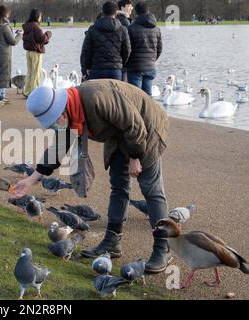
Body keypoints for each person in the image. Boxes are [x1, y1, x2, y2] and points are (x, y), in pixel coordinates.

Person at [13, 81, 171, 274]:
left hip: (146, 129)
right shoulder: (70, 113)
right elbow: (58, 148)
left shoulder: (97, 98)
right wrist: (31, 179)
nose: (55, 125)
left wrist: (136, 156)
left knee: (151, 191)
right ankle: (112, 241)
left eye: (54, 120)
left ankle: (163, 249)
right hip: (121, 135)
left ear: (62, 109)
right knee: (119, 187)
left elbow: (134, 124)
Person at [80, 1, 131, 81]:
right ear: (116, 13)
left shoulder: (92, 29)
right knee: (114, 93)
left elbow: (86, 51)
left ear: (103, 12)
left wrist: (87, 67)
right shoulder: (123, 30)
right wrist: (121, 63)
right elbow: (127, 50)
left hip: (97, 69)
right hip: (115, 69)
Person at [0, 5, 22, 106]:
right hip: (4, 55)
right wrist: (20, 34)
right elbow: (13, 41)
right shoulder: (4, 27)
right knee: (2, 76)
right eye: (7, 15)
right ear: (4, 15)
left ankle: (2, 96)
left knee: (1, 75)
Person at [126, 1, 162, 96]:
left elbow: (127, 49)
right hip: (150, 66)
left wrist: (127, 63)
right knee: (148, 97)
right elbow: (159, 49)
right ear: (148, 11)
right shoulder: (157, 29)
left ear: (136, 13)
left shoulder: (131, 28)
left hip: (135, 67)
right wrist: (152, 60)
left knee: (135, 96)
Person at [22, 8, 52, 97]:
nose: (40, 18)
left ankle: (27, 91)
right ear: (37, 16)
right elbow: (42, 39)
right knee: (36, 73)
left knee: (30, 72)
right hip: (35, 52)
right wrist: (48, 34)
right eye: (40, 16)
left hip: (28, 52)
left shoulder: (27, 26)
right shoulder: (35, 26)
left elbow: (33, 39)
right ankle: (34, 93)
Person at [117, 0, 133, 82]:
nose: (131, 8)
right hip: (123, 61)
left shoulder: (118, 19)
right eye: (129, 6)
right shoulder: (124, 21)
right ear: (122, 7)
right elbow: (128, 42)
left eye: (131, 6)